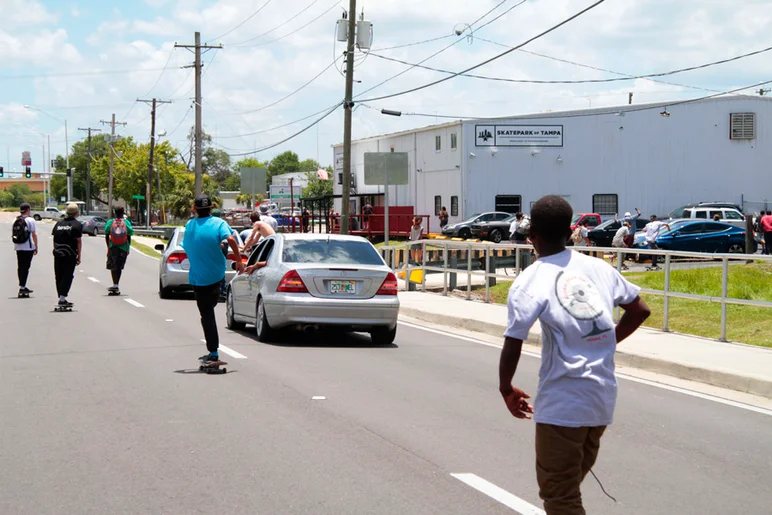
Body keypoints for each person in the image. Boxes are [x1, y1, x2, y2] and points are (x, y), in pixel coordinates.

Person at [498, 195, 650, 515]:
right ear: (570, 232)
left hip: (563, 405)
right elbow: (640, 310)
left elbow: (514, 340)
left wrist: (506, 388)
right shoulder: (598, 268)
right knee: (567, 488)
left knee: (559, 496)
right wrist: (605, 342)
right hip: (600, 402)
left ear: (532, 235)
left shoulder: (529, 280)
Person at [183, 195, 244, 363]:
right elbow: (230, 239)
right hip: (217, 276)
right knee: (210, 306)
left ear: (194, 209)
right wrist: (238, 260)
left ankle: (213, 352)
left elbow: (188, 246)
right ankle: (213, 350)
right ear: (211, 208)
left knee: (207, 314)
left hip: (198, 278)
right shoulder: (219, 223)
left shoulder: (190, 225)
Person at [52, 203, 83, 308]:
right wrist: (79, 256)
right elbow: (78, 241)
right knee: (68, 275)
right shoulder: (77, 224)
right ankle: (62, 298)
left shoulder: (59, 224)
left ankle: (61, 297)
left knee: (59, 275)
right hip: (70, 254)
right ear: (76, 212)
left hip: (58, 253)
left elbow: (54, 238)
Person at [104, 206, 134, 294]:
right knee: (119, 266)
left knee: (113, 266)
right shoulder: (126, 222)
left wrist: (108, 247)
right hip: (123, 247)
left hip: (113, 247)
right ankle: (116, 284)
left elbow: (106, 234)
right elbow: (129, 236)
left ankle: (115, 285)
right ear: (123, 212)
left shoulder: (110, 222)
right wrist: (128, 248)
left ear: (115, 212)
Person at [12, 203, 38, 297]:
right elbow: (34, 235)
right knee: (26, 267)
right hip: (28, 247)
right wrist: (36, 246)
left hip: (18, 247)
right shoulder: (30, 220)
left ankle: (22, 285)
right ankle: (22, 287)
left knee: (20, 267)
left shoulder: (15, 220)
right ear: (28, 210)